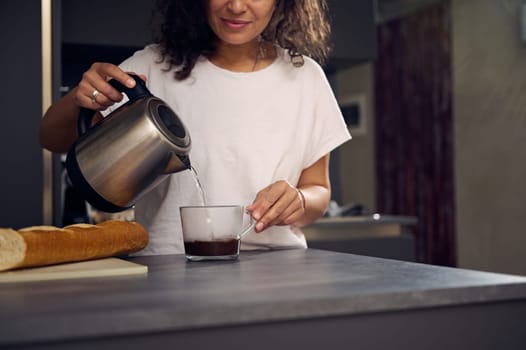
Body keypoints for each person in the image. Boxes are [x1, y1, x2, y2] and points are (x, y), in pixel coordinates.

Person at [40, 0, 351, 255]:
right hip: (167, 265)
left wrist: (298, 200)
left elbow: (319, 192)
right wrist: (79, 100)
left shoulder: (305, 77)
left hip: (275, 268)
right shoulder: (153, 66)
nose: (236, 6)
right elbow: (51, 138)